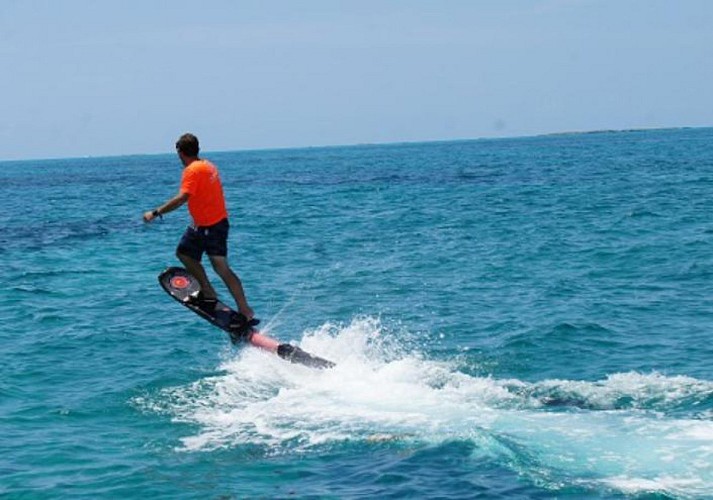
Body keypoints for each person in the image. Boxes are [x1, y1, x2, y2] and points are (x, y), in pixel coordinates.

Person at [143, 133, 255, 322]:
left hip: (211, 226)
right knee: (185, 253)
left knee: (220, 268)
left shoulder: (192, 171)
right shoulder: (208, 165)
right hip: (207, 224)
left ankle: (236, 304)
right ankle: (219, 296)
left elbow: (182, 197)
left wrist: (156, 212)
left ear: (180, 152)